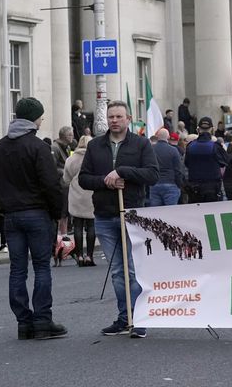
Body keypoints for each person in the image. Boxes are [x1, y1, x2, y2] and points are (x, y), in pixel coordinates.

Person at [0, 97, 67, 340]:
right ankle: (42, 320)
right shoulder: (38, 147)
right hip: (37, 213)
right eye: (41, 116)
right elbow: (51, 185)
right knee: (42, 267)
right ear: (34, 118)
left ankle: (24, 322)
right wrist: (56, 213)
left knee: (17, 270)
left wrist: (4, 207)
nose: (42, 120)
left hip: (11, 215)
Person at [79, 100, 159, 338]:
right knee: (117, 271)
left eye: (119, 116)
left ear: (128, 118)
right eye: (111, 117)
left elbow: (152, 174)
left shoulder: (141, 143)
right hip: (104, 215)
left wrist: (123, 172)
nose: (114, 120)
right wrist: (106, 180)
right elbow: (84, 179)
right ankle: (124, 317)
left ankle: (139, 318)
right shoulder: (95, 146)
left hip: (132, 214)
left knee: (132, 270)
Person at [63, 135, 96, 266]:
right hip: (91, 193)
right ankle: (89, 256)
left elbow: (66, 178)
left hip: (76, 193)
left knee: (77, 225)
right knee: (91, 225)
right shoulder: (94, 158)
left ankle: (80, 255)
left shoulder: (72, 158)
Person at [184, 117, 228, 203]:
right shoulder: (215, 146)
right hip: (212, 188)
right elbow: (224, 162)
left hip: (194, 188)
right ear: (212, 129)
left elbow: (186, 163)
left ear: (198, 129)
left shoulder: (190, 146)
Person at [150, 129, 184, 206]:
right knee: (170, 214)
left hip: (155, 184)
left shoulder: (151, 149)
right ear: (168, 137)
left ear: (157, 137)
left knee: (156, 214)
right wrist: (179, 185)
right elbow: (178, 170)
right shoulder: (173, 150)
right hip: (170, 184)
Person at [52, 126, 74, 237]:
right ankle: (61, 235)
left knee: (66, 211)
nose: (72, 137)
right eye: (70, 135)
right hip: (61, 184)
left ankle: (64, 234)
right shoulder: (55, 148)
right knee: (62, 212)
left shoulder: (67, 147)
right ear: (64, 136)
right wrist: (64, 171)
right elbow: (52, 167)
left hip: (67, 183)